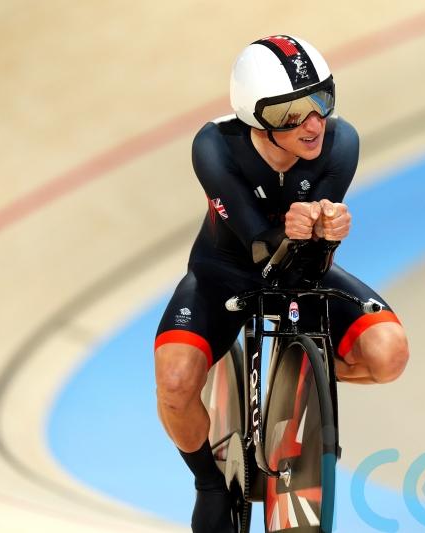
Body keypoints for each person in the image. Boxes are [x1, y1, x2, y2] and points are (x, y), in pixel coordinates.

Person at [154, 34, 409, 533]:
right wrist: (288, 230)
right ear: (256, 117)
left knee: (389, 356)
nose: (313, 123)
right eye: (290, 114)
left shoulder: (342, 143)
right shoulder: (214, 147)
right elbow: (255, 246)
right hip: (223, 271)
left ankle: (295, 386)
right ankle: (207, 483)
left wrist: (327, 233)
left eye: (320, 101)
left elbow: (308, 260)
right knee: (176, 383)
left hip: (301, 275)